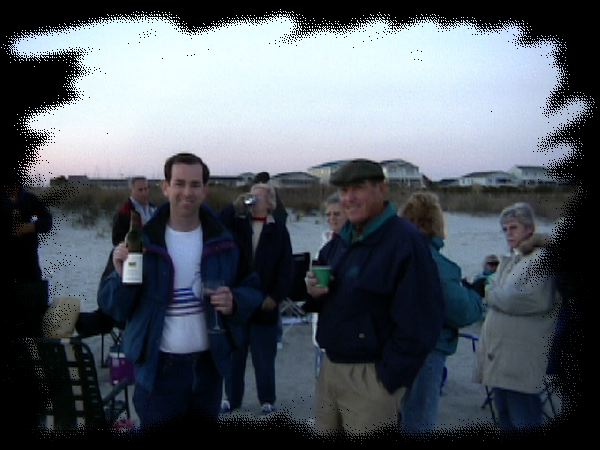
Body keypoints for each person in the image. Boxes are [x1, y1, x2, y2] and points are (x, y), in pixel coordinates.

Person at [98, 152, 263, 428]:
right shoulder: (142, 241)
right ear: (165, 187)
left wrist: (235, 300)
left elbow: (253, 289)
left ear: (205, 190)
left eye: (195, 184)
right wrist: (118, 274)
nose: (187, 192)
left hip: (207, 370)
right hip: (158, 371)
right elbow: (113, 307)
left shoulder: (224, 240)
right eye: (179, 183)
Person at [303, 159, 445, 434]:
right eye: (344, 191)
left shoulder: (405, 242)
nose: (349, 198)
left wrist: (387, 381)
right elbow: (328, 294)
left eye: (358, 188)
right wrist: (314, 292)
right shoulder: (339, 241)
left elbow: (423, 321)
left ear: (383, 189)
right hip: (331, 367)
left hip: (371, 378)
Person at [399, 192, 484, 433]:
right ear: (434, 223)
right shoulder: (433, 262)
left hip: (394, 349)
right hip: (425, 351)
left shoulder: (395, 254)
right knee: (418, 422)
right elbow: (461, 311)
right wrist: (476, 297)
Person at [473, 202, 561, 430]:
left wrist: (488, 293)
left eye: (513, 228)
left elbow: (525, 299)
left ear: (529, 228)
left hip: (521, 359)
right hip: (502, 358)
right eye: (504, 229)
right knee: (505, 418)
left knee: (524, 419)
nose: (508, 233)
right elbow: (504, 293)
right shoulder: (512, 259)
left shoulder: (542, 259)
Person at [219, 182, 293, 415]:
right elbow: (217, 223)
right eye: (251, 196)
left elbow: (286, 267)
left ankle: (267, 400)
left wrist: (276, 297)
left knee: (264, 356)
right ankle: (232, 399)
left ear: (270, 202)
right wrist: (235, 206)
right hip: (239, 300)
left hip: (265, 300)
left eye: (258, 197)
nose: (253, 200)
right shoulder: (238, 224)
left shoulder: (278, 229)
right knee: (235, 356)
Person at [77, 176, 158, 338]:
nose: (145, 192)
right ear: (132, 190)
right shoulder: (124, 211)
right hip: (129, 257)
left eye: (147, 188)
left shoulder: (155, 210)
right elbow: (116, 239)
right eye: (140, 189)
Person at [3, 178, 53, 336]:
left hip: (28, 261)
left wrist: (31, 227)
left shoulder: (29, 198)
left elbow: (47, 221)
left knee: (33, 308)